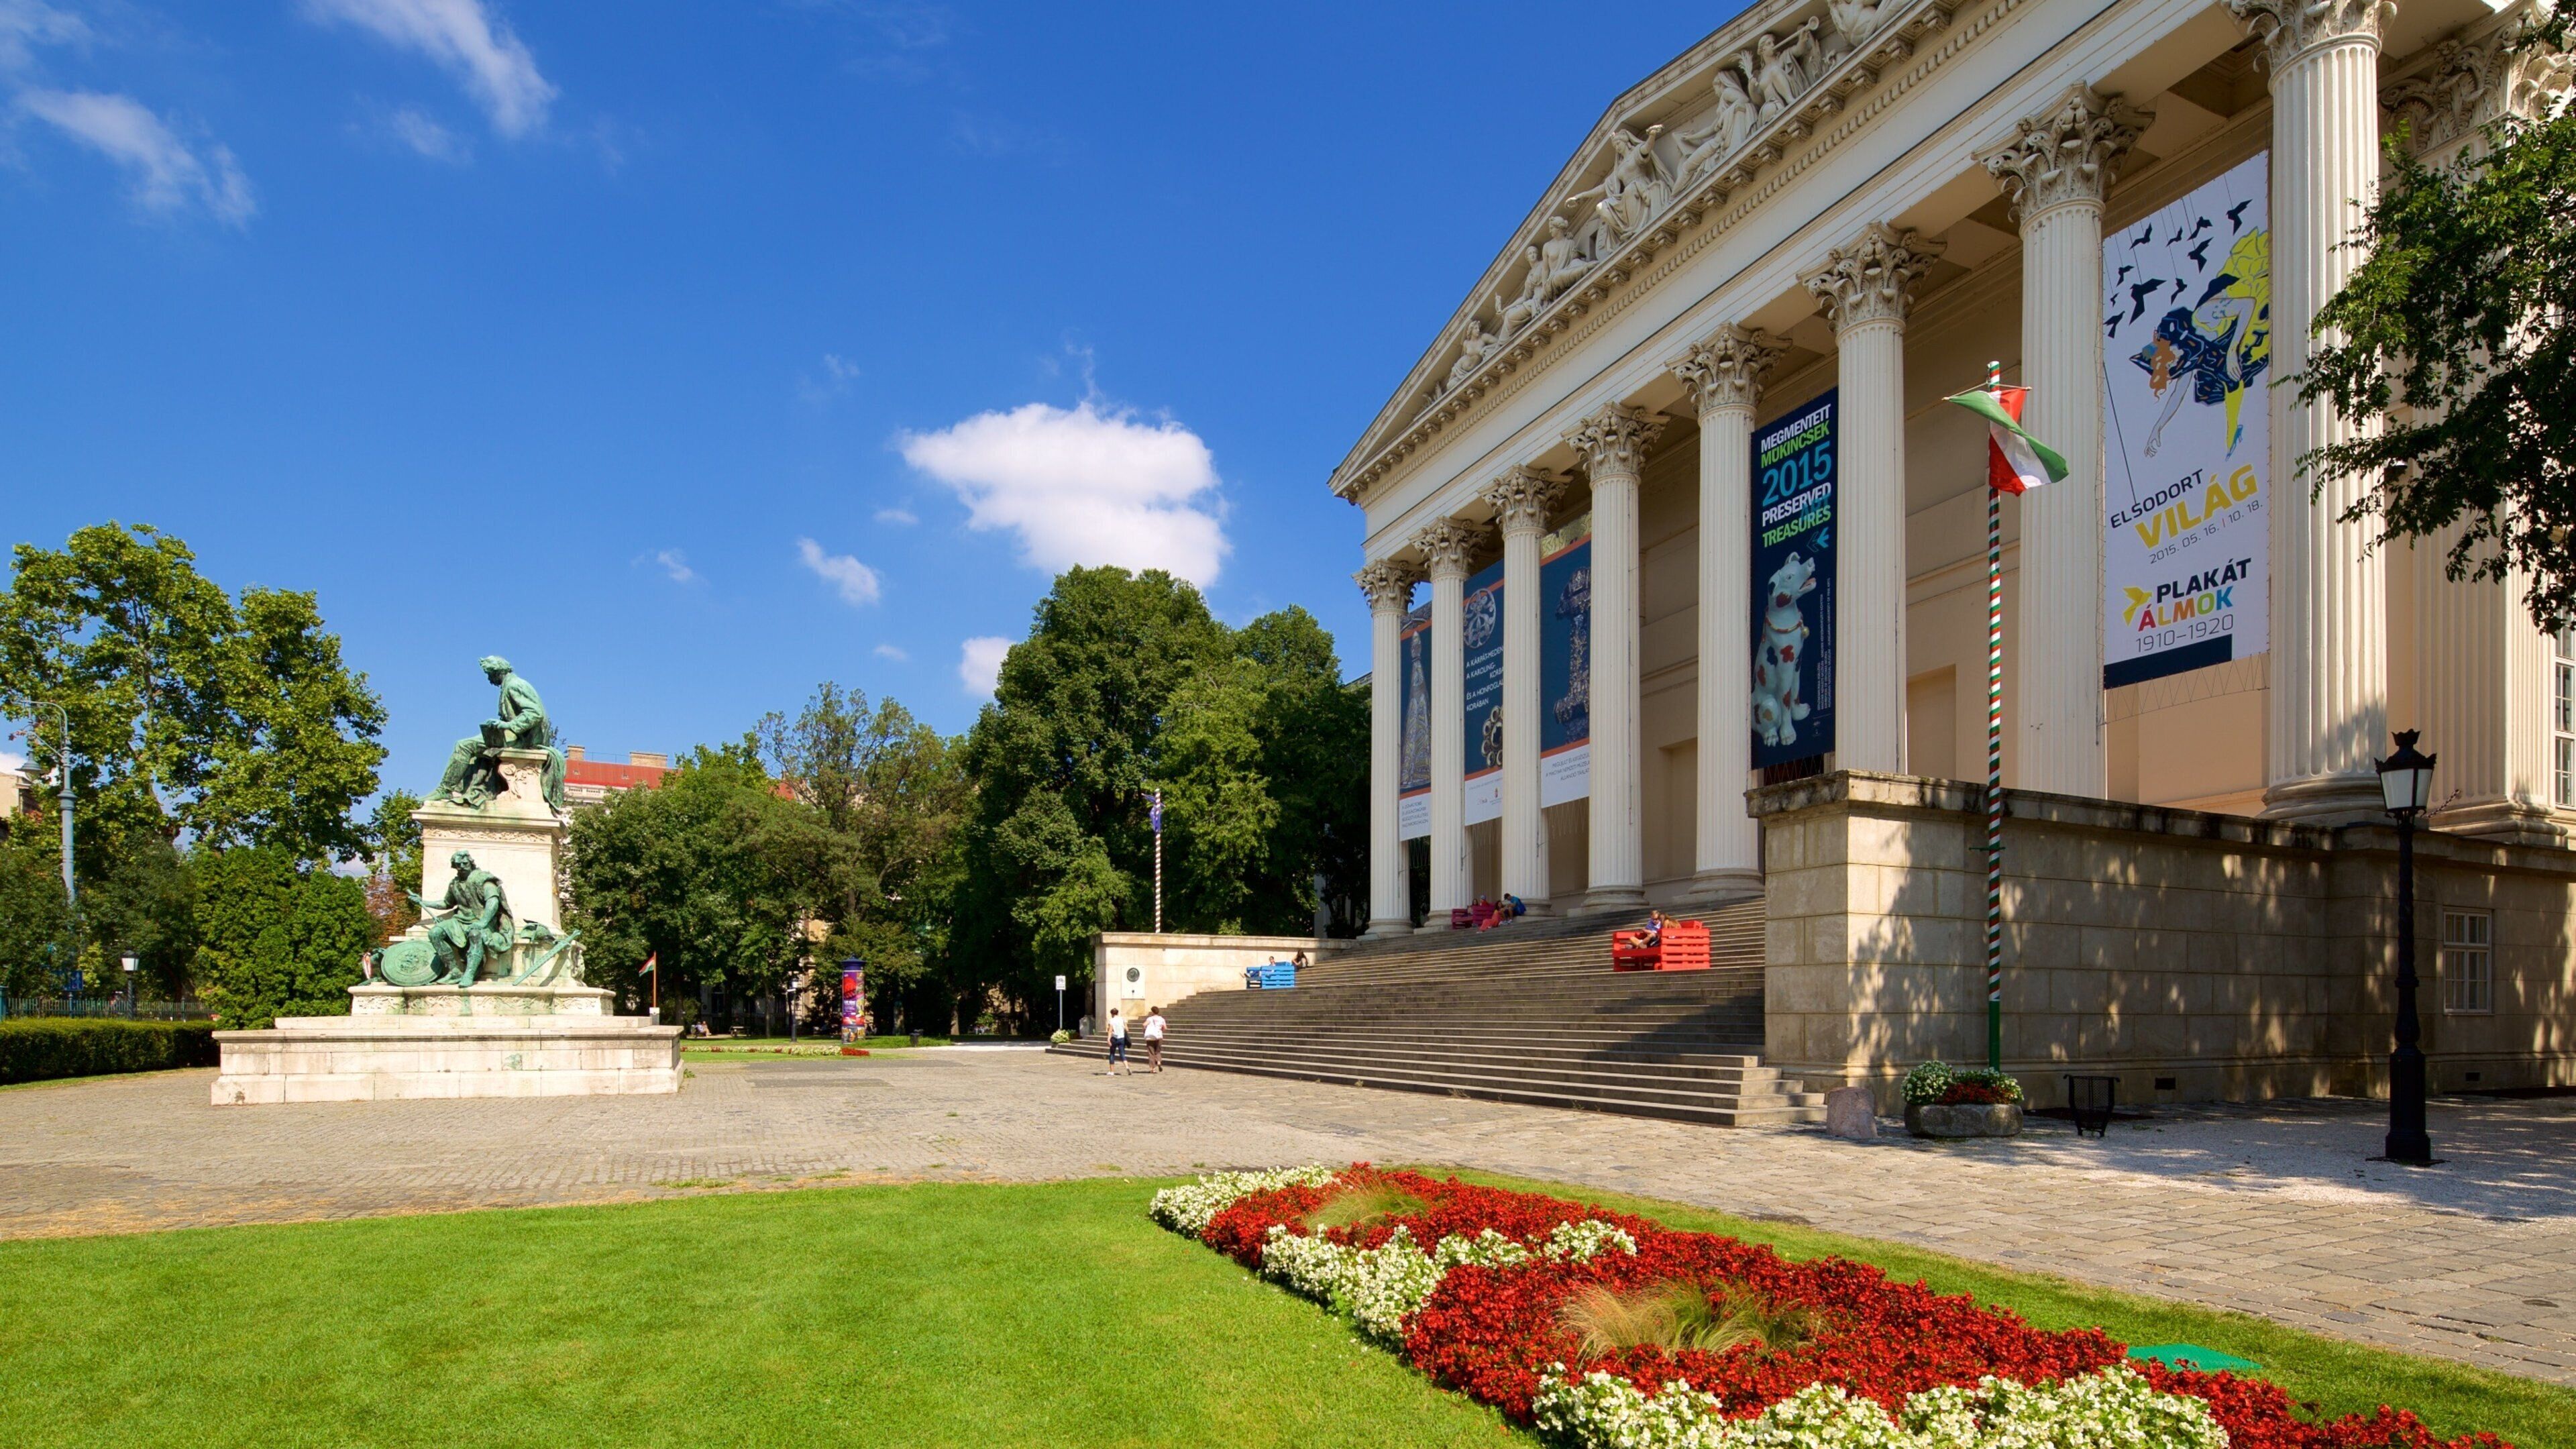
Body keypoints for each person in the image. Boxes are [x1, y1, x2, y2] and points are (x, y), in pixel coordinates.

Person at [1106, 1008, 1130, 1075]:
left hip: (1114, 1038)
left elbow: (1110, 1030)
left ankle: (1112, 1071)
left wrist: (1108, 1039)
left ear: (1112, 1014)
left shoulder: (1112, 1020)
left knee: (1112, 1054)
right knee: (1122, 1054)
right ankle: (1127, 1067)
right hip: (1122, 1038)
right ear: (1117, 1013)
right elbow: (1127, 1030)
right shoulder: (1122, 1019)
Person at [1143, 1006, 1167, 1073]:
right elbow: (1165, 1028)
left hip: (1150, 1037)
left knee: (1151, 1053)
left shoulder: (1150, 1019)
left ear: (1152, 1012)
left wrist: (1145, 1029)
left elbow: (1144, 1025)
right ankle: (1159, 1062)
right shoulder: (1162, 1019)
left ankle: (1153, 1069)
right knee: (1158, 1051)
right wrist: (1160, 1030)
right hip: (1159, 1036)